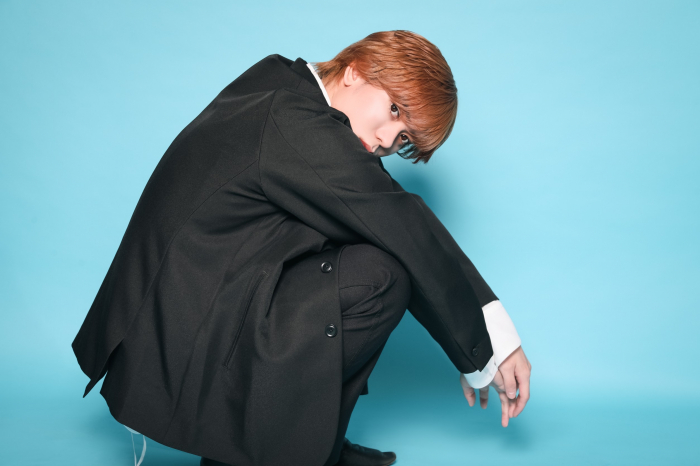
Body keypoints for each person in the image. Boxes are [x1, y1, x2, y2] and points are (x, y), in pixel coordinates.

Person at [71, 30, 531, 466]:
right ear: (356, 70)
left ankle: (315, 446)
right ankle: (248, 453)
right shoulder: (292, 120)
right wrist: (492, 346)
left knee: (370, 254)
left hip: (194, 310)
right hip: (180, 342)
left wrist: (475, 347)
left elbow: (384, 213)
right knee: (381, 277)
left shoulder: (284, 86)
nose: (387, 141)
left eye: (404, 139)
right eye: (394, 110)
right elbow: (400, 222)